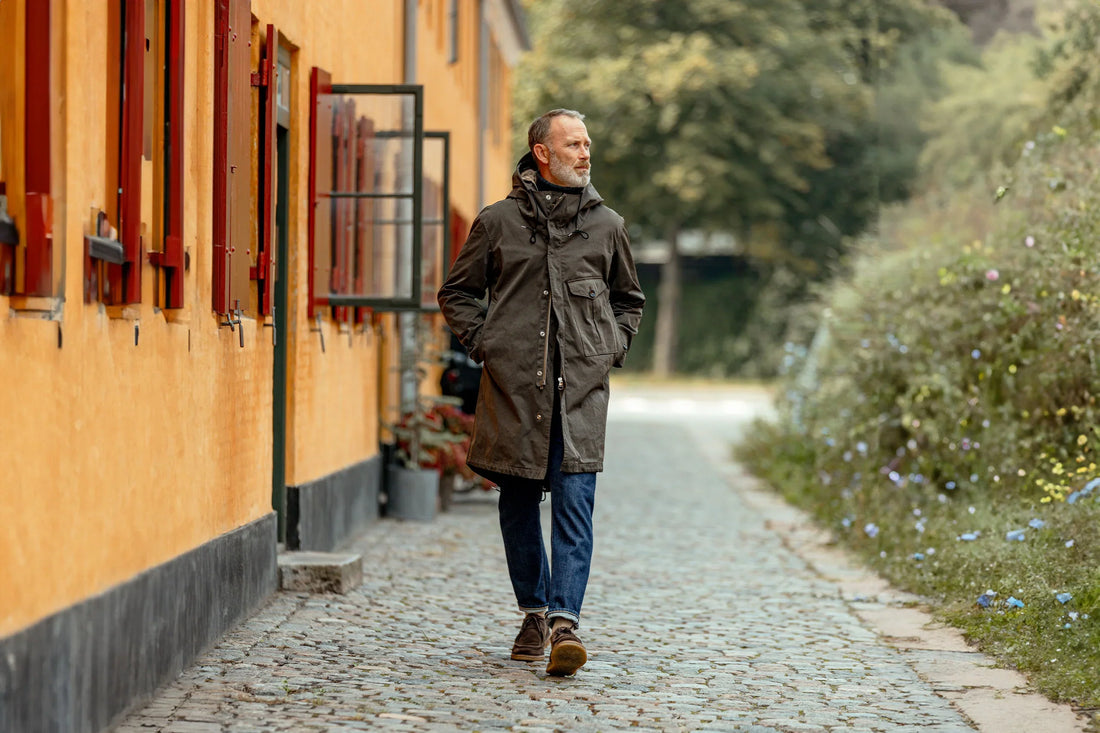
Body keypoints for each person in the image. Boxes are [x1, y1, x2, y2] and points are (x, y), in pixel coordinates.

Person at [438, 109, 645, 676]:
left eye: (588, 143)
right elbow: (457, 293)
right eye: (574, 144)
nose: (585, 153)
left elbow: (629, 301)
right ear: (541, 152)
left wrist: (609, 349)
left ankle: (564, 622)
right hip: (514, 395)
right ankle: (533, 612)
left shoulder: (608, 227)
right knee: (519, 506)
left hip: (580, 395)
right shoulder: (497, 223)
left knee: (576, 507)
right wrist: (489, 347)